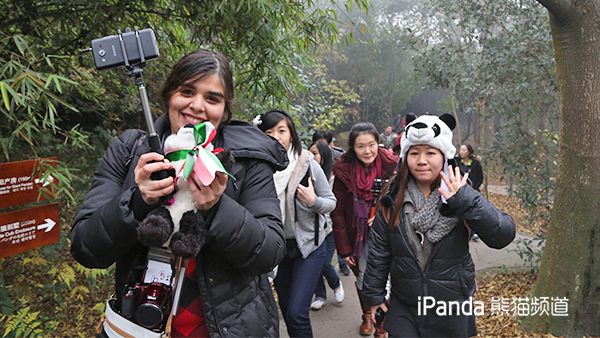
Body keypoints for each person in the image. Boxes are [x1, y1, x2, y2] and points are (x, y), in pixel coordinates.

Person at [70, 49, 288, 337]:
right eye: (187, 91)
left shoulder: (246, 161)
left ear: (224, 109)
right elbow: (87, 249)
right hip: (141, 324)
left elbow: (270, 252)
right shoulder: (129, 151)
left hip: (231, 328)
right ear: (169, 95)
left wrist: (216, 209)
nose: (197, 106)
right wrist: (138, 201)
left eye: (212, 98)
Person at [363, 113, 515, 338]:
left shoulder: (462, 193)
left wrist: (464, 199)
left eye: (430, 153)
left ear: (444, 156)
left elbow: (502, 235)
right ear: (405, 157)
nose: (421, 160)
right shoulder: (392, 196)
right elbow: (379, 251)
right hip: (406, 303)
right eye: (414, 153)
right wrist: (374, 296)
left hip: (452, 304)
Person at [255, 110, 337, 338]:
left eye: (282, 131)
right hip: (278, 249)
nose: (276, 136)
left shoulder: (306, 163)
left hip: (309, 248)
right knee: (286, 312)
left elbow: (331, 202)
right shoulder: (259, 166)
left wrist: (313, 201)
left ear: (291, 134)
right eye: (269, 132)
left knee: (296, 312)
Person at [331, 122, 399, 337]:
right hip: (357, 237)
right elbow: (338, 212)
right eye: (361, 146)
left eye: (371, 144)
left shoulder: (393, 166)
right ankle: (367, 314)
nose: (367, 151)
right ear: (352, 147)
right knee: (364, 279)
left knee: (391, 278)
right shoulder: (343, 171)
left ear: (378, 144)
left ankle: (382, 322)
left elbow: (404, 199)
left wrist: (382, 214)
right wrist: (344, 249)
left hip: (389, 234)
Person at [308, 141, 345, 311]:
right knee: (312, 264)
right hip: (311, 229)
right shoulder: (305, 175)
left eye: (314, 153)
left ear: (323, 155)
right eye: (309, 153)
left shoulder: (333, 177)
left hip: (329, 228)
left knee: (324, 263)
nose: (311, 157)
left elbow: (333, 204)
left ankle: (336, 284)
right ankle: (320, 295)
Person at [312, 129, 351, 276]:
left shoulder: (340, 159)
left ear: (330, 144)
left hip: (337, 203)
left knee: (339, 231)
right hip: (323, 213)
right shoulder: (311, 161)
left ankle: (342, 262)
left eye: (323, 144)